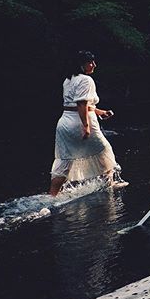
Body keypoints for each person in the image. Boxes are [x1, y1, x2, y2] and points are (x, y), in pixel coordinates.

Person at [49, 51, 127, 196]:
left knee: (65, 159)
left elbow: (79, 104)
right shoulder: (86, 80)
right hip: (80, 122)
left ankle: (53, 195)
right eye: (91, 62)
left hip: (65, 123)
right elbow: (81, 104)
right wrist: (86, 126)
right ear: (82, 64)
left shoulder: (68, 80)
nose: (94, 65)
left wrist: (100, 112)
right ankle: (109, 184)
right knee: (104, 150)